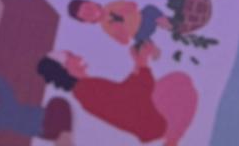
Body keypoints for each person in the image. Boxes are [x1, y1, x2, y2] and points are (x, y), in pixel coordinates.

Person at [37, 48, 199, 145]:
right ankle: (172, 138)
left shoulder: (86, 88)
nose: (78, 57)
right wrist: (142, 64)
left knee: (177, 82)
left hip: (147, 121)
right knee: (179, 82)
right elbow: (132, 98)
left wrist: (137, 66)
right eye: (71, 56)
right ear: (65, 67)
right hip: (153, 123)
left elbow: (122, 94)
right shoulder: (86, 91)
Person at [68, 0, 168, 50]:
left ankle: (169, 24)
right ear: (87, 21)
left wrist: (123, 10)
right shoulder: (106, 27)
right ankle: (154, 50)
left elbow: (133, 4)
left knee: (149, 9)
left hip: (143, 17)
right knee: (142, 44)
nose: (90, 12)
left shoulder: (110, 6)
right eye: (86, 15)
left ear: (92, 2)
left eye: (88, 8)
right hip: (139, 33)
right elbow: (124, 41)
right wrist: (119, 31)